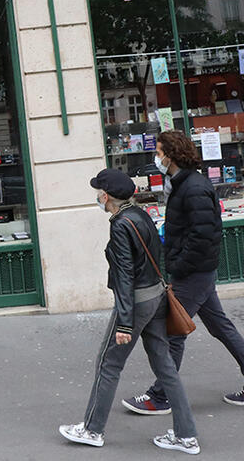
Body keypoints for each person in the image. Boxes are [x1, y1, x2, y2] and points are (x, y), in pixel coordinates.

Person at [59, 168, 200, 455]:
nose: (97, 195)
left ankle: (91, 429)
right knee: (165, 366)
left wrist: (124, 324)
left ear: (107, 195)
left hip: (135, 304)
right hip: (156, 296)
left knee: (108, 364)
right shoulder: (141, 214)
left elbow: (125, 276)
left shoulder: (121, 224)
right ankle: (187, 436)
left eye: (99, 191)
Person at [123, 130, 244, 413]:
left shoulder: (194, 187)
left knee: (173, 332)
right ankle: (162, 394)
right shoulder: (180, 184)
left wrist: (178, 266)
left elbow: (204, 237)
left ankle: (161, 396)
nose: (157, 158)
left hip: (193, 273)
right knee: (221, 327)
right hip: (197, 272)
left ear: (171, 155)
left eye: (160, 152)